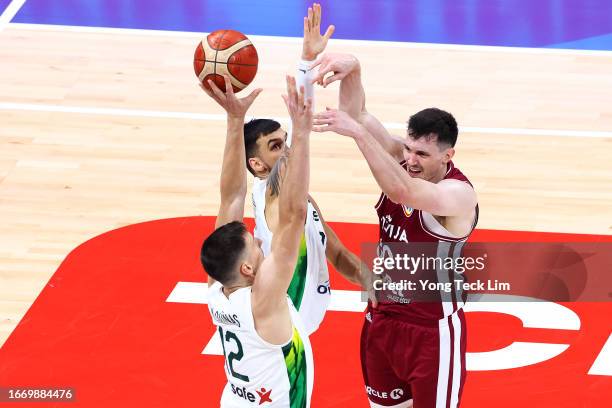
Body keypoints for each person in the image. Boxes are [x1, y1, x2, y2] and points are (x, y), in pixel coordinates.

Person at [311, 53, 478, 408]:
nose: (411, 160)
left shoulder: (458, 195)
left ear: (448, 156)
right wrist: (353, 69)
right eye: (407, 148)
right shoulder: (403, 161)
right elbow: (357, 114)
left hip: (431, 332)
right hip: (382, 319)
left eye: (422, 154)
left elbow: (404, 192)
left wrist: (357, 134)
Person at [244, 3, 368, 335]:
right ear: (257, 165)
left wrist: (378, 285)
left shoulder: (301, 197)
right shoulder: (272, 194)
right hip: (280, 329)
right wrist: (304, 65)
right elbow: (301, 124)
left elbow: (339, 254)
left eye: (284, 141)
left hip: (303, 325)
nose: (285, 150)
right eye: (274, 146)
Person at [200, 74, 314, 407]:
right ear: (249, 268)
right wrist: (302, 135)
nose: (262, 243)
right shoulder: (263, 299)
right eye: (255, 243)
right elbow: (293, 216)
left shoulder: (217, 289)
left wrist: (235, 121)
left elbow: (231, 197)